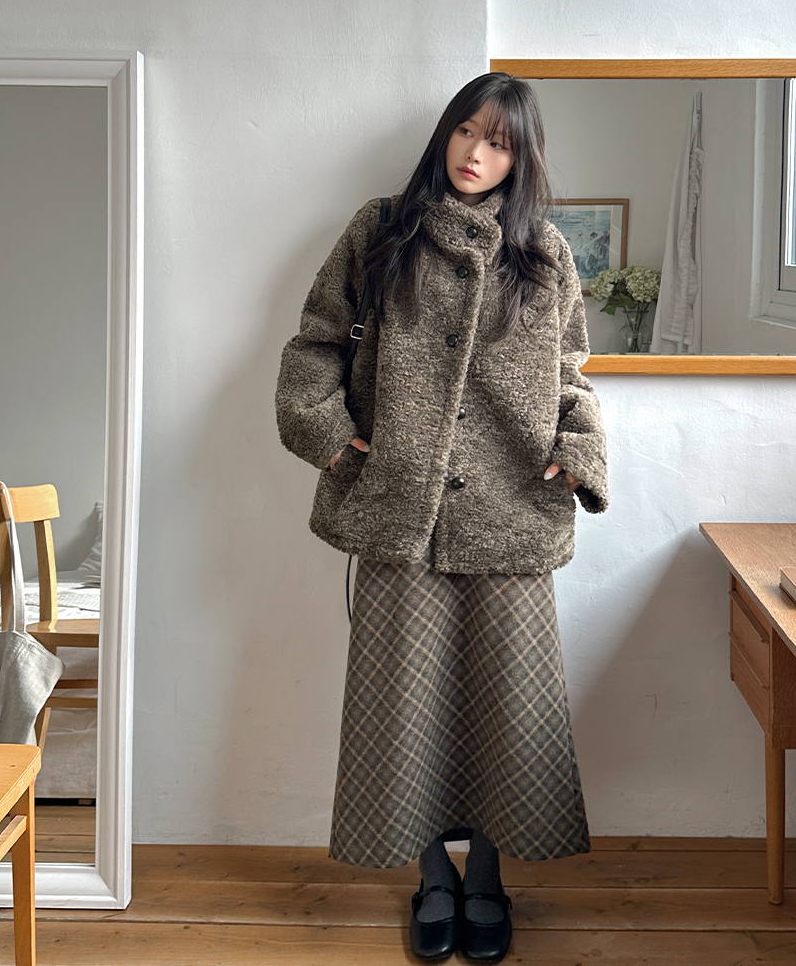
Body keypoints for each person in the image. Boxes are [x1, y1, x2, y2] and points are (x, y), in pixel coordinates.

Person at [276, 72, 608, 963]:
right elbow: (314, 344)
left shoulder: (544, 254)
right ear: (444, 133)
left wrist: (578, 449)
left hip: (512, 510)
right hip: (400, 511)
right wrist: (332, 434)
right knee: (402, 706)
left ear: (521, 158)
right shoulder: (381, 229)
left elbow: (573, 373)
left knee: (510, 703)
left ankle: (488, 879)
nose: (475, 153)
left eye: (498, 141)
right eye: (466, 130)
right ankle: (432, 878)